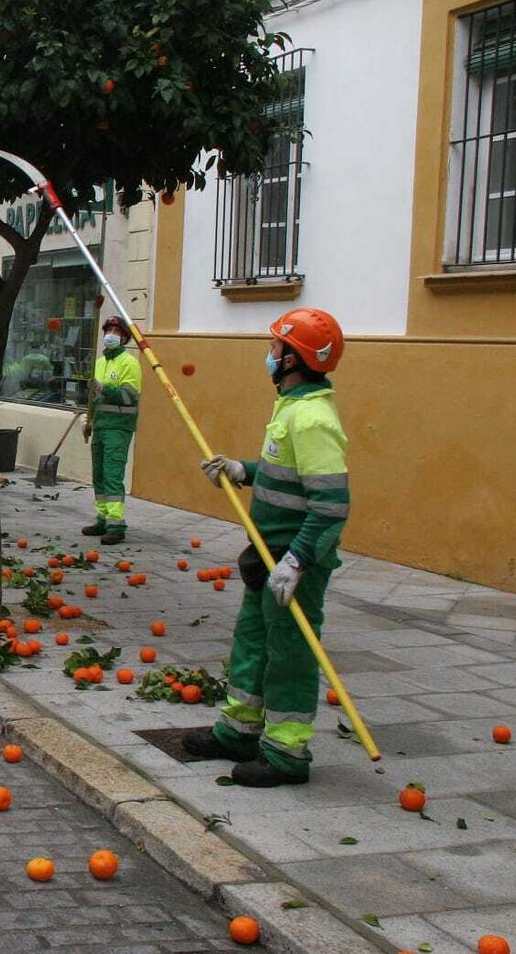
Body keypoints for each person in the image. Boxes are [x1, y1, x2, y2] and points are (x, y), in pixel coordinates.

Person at [185, 307, 350, 788]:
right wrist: (243, 470)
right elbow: (286, 474)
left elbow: (332, 504)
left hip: (293, 559)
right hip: (266, 550)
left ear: (294, 358)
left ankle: (285, 751)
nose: (270, 354)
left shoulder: (314, 420)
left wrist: (297, 560)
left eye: (276, 347)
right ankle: (239, 729)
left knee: (289, 652)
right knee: (253, 639)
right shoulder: (292, 406)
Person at [82, 316, 141, 545]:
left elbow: (128, 397)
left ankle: (116, 524)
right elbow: (94, 399)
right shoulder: (100, 362)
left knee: (112, 475)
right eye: (108, 330)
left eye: (116, 331)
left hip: (119, 427)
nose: (111, 335)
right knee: (99, 475)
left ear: (124, 337)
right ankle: (103, 517)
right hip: (101, 426)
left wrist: (103, 388)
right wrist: (89, 421)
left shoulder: (129, 363)